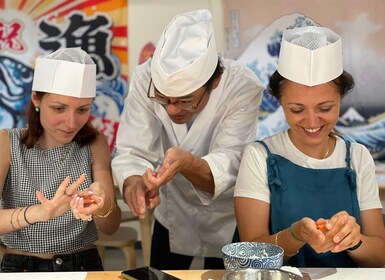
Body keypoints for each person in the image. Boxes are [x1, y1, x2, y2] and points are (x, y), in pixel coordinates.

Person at [112, 9, 263, 270]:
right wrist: (135, 182)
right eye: (163, 99)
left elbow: (231, 158)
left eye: (185, 101)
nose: (171, 111)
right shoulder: (144, 77)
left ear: (213, 83)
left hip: (226, 214)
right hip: (172, 211)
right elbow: (133, 148)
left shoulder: (241, 87)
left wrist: (187, 164)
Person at [234, 26, 385, 267]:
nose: (312, 122)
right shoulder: (260, 157)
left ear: (341, 100)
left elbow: (380, 258)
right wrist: (294, 236)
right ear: (280, 103)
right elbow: (250, 258)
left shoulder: (357, 156)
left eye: (325, 108)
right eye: (297, 110)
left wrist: (354, 241)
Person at [0, 47, 122, 272]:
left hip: (83, 264)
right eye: (59, 108)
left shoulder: (95, 143)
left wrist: (101, 206)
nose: (71, 123)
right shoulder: (8, 143)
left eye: (82, 109)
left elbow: (111, 226)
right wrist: (39, 212)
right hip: (22, 267)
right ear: (36, 99)